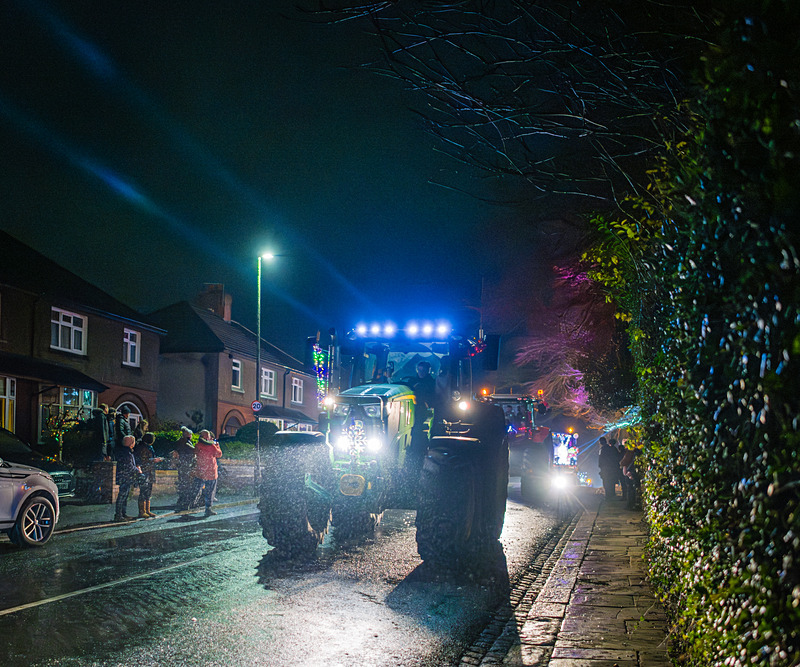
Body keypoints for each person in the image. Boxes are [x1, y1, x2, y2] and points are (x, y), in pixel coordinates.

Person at [191, 430, 222, 517]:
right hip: (211, 472)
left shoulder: (198, 445)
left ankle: (192, 503)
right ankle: (208, 509)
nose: (210, 438)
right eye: (208, 436)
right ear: (206, 437)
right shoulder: (212, 446)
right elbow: (219, 454)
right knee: (210, 491)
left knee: (197, 487)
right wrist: (217, 445)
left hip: (201, 471)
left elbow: (195, 453)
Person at [113, 434, 141, 522]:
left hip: (124, 476)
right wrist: (138, 470)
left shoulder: (124, 451)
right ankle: (119, 515)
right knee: (122, 496)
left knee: (124, 496)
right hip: (125, 477)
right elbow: (129, 466)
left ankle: (122, 514)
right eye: (134, 442)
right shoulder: (127, 453)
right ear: (131, 443)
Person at [134, 433, 163, 518]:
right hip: (145, 471)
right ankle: (142, 511)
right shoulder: (142, 447)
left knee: (148, 491)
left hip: (149, 471)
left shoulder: (149, 447)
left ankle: (147, 510)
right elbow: (143, 460)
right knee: (143, 491)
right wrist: (154, 460)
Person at [171, 426, 196, 511]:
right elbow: (194, 450)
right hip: (187, 465)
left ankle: (181, 501)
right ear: (189, 435)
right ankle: (185, 503)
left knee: (182, 483)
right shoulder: (186, 442)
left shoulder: (179, 441)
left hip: (181, 465)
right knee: (187, 484)